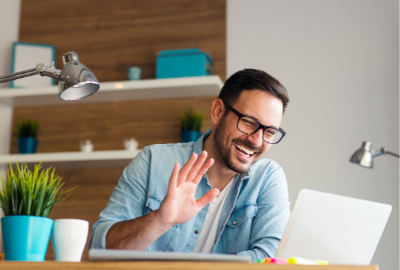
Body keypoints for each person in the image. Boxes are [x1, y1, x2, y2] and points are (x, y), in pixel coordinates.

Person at [89, 69, 291, 262]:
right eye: (249, 122)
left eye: (270, 132)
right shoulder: (153, 160)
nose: (257, 141)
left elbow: (271, 259)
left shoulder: (267, 178)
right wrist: (158, 221)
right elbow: (99, 249)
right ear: (218, 112)